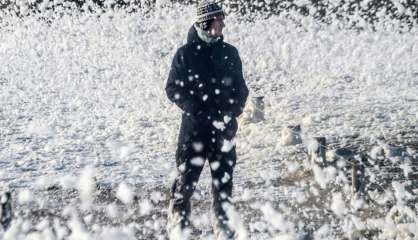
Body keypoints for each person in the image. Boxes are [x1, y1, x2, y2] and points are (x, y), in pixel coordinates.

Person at [165, 1, 249, 239]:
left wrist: (232, 111)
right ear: (206, 21)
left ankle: (222, 224)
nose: (223, 22)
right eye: (219, 18)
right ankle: (177, 222)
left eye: (223, 18)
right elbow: (172, 88)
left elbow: (242, 90)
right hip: (194, 132)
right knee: (185, 181)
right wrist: (195, 108)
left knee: (223, 183)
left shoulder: (230, 52)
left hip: (223, 130)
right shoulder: (185, 54)